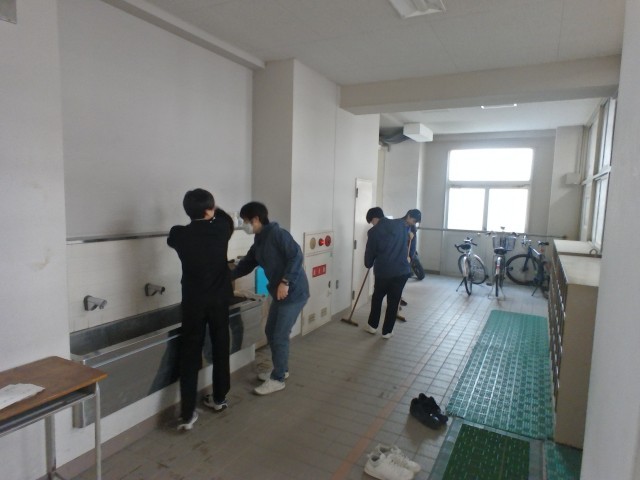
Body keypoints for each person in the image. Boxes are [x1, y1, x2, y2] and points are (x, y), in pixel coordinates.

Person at [167, 188, 233, 431]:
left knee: (190, 354)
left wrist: (201, 212)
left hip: (193, 302)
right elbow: (225, 218)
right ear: (210, 210)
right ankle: (219, 398)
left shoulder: (179, 234)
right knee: (220, 346)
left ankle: (187, 414)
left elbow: (172, 239)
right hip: (219, 300)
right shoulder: (221, 229)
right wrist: (213, 211)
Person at [232, 201, 309, 395]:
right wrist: (225, 277)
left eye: (245, 221)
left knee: (279, 334)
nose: (244, 225)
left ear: (256, 219)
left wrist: (285, 282)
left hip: (294, 292)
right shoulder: (259, 239)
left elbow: (296, 256)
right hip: (279, 293)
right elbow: (247, 264)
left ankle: (278, 379)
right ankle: (281, 369)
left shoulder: (278, 234)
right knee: (271, 330)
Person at [364, 208, 421, 338]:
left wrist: (369, 263)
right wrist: (409, 258)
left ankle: (372, 326)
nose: (372, 224)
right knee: (394, 301)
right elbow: (411, 247)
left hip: (383, 272)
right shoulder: (402, 225)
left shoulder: (373, 232)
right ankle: (387, 331)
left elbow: (370, 252)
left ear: (374, 218)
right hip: (401, 272)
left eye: (371, 222)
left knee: (377, 298)